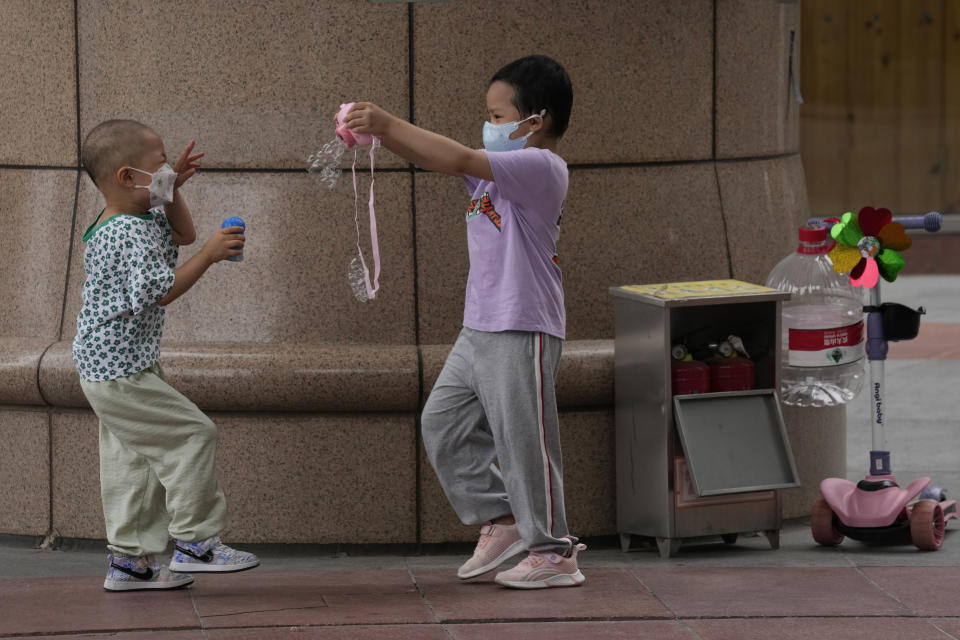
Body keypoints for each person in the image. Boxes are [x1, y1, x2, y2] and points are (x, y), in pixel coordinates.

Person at [344, 54, 584, 589]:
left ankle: (554, 550)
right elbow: (442, 159)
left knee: (524, 441)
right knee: (443, 424)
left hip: (523, 325)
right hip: (479, 325)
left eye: (498, 116)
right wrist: (377, 137)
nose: (490, 126)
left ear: (536, 120)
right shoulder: (495, 175)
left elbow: (454, 158)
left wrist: (386, 123)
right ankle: (501, 520)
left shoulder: (542, 167)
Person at [74, 119, 259, 591]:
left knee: (131, 460)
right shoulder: (125, 234)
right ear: (126, 177)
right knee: (194, 434)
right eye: (158, 165)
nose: (166, 170)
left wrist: (171, 188)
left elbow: (184, 234)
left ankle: (129, 563)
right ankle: (196, 544)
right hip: (119, 373)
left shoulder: (136, 216)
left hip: (117, 366)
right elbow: (161, 291)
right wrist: (214, 256)